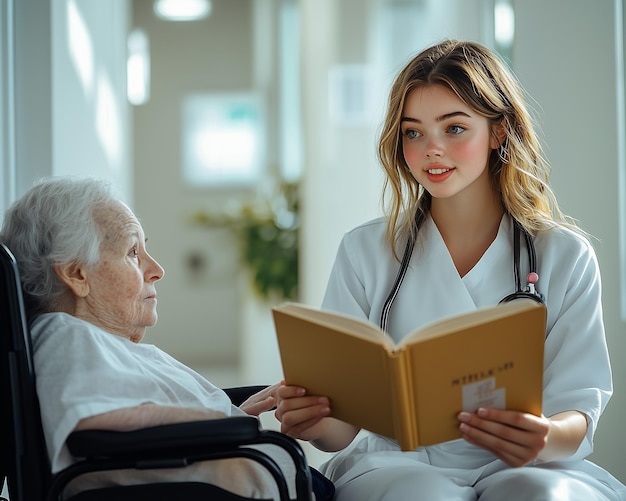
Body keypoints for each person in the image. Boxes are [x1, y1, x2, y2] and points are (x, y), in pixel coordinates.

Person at [274, 39, 626, 500]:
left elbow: (579, 407)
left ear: (498, 132)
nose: (431, 150)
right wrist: (316, 420)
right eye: (413, 132)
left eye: (454, 128)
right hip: (400, 462)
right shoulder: (365, 251)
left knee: (534, 495)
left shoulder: (563, 254)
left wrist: (543, 436)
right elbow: (340, 430)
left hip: (527, 464)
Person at [0, 176, 332, 500]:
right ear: (76, 274)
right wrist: (219, 422)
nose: (156, 268)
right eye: (133, 252)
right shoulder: (65, 335)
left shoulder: (94, 340)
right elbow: (95, 420)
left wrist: (231, 413)